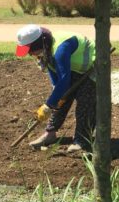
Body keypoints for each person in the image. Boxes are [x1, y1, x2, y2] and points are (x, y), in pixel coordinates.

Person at [15, 24, 96, 152]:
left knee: (84, 104)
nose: (30, 54)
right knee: (59, 100)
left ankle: (81, 140)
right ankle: (50, 134)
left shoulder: (61, 49)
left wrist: (48, 105)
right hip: (72, 69)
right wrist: (55, 96)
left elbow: (64, 79)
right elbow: (54, 72)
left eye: (30, 51)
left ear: (38, 45)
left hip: (92, 68)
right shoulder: (45, 49)